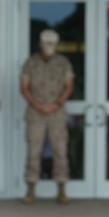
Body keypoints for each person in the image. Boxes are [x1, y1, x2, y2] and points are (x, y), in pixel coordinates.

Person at [20, 28, 74, 204]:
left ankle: (62, 190)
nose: (49, 46)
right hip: (35, 114)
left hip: (57, 114)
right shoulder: (31, 63)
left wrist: (56, 104)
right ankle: (30, 190)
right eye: (46, 42)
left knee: (60, 152)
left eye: (52, 42)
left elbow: (68, 86)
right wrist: (38, 105)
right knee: (33, 152)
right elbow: (24, 87)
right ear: (40, 44)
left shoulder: (63, 63)